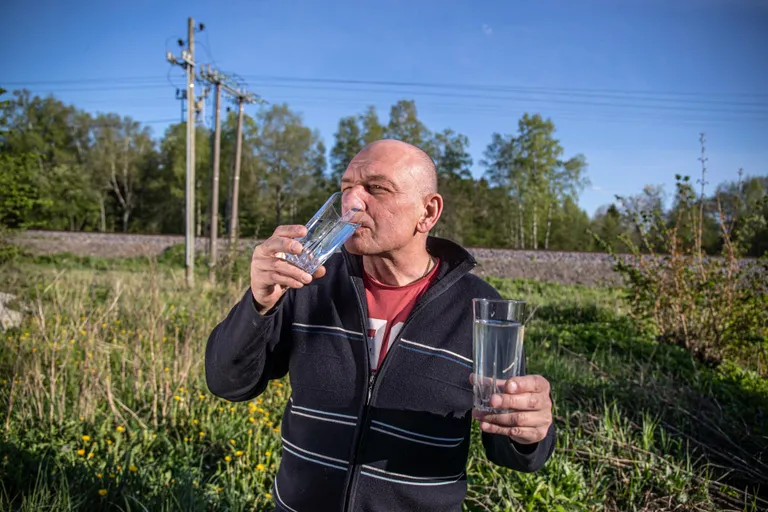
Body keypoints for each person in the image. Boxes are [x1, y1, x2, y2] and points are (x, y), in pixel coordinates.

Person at [205, 139, 556, 512]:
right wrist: (258, 303)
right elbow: (228, 383)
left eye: (376, 188)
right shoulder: (309, 282)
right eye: (345, 189)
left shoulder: (478, 310)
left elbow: (513, 451)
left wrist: (530, 430)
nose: (351, 203)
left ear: (428, 212)